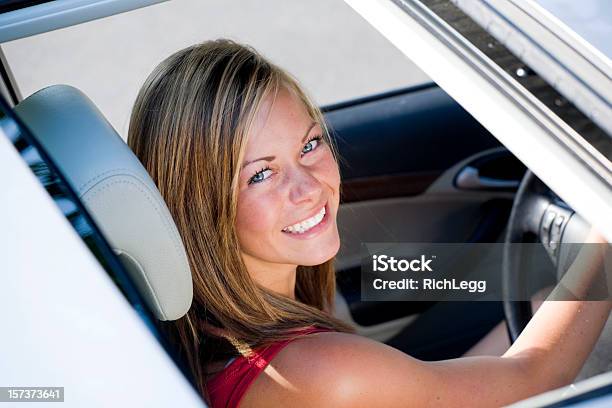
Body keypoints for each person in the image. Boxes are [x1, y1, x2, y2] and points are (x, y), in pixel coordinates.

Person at [127, 39, 611, 407]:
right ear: (200, 203)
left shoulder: (215, 336)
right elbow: (536, 378)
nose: (309, 187)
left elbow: (421, 390)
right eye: (261, 174)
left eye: (310, 145)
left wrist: (539, 307)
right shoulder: (317, 370)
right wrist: (603, 236)